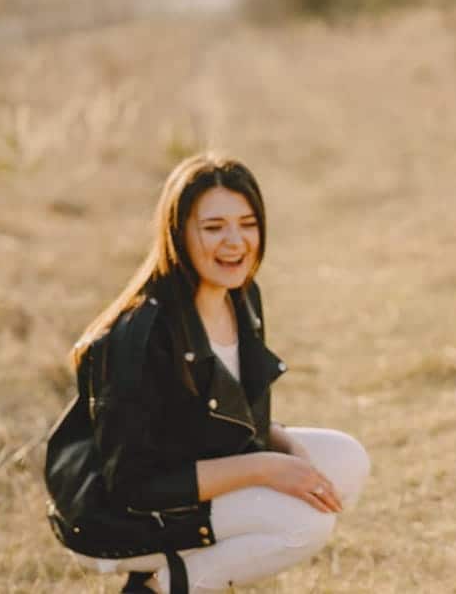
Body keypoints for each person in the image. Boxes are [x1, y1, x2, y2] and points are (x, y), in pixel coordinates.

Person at [43, 154, 370, 594]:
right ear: (178, 233)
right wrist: (265, 468)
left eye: (248, 223)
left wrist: (285, 447)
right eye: (214, 228)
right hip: (117, 516)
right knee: (305, 523)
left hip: (188, 475)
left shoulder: (242, 297)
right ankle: (163, 586)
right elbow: (133, 485)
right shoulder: (142, 334)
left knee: (346, 460)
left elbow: (214, 419)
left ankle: (183, 569)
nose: (235, 242)